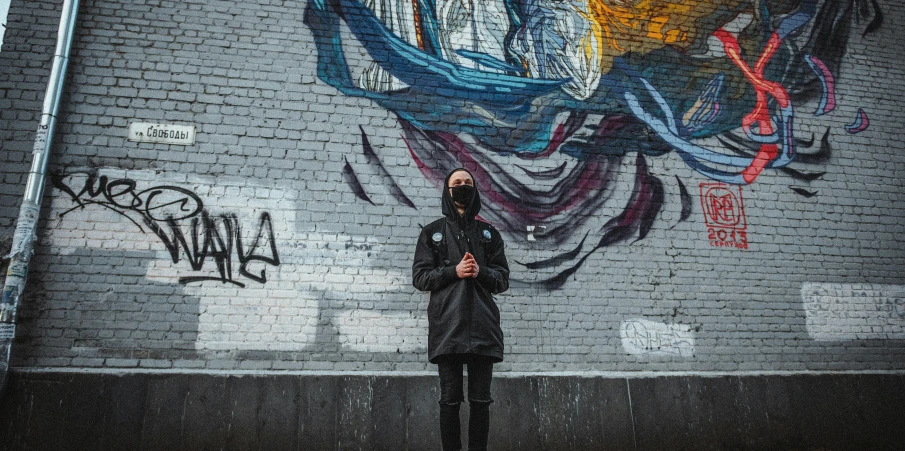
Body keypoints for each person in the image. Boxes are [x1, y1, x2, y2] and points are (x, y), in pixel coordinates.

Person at [412, 167, 509, 451]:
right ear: (447, 189)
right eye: (457, 183)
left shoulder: (489, 234)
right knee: (449, 401)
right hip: (447, 327)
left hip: (483, 327)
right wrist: (453, 271)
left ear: (475, 190)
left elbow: (502, 279)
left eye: (468, 182)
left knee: (481, 402)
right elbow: (420, 278)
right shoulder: (432, 233)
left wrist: (480, 272)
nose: (463, 186)